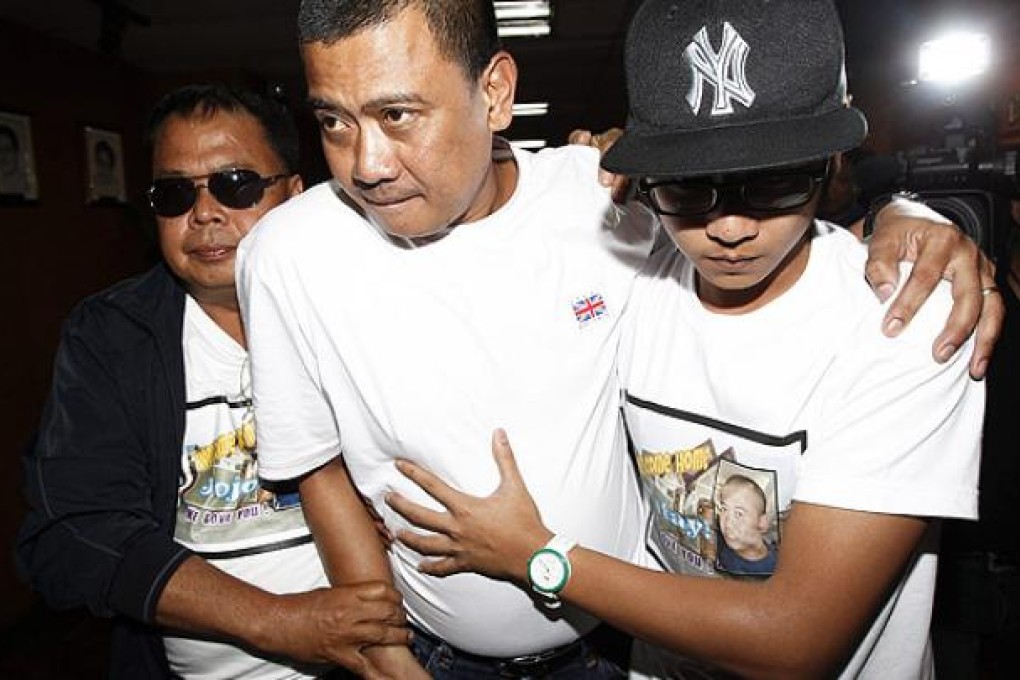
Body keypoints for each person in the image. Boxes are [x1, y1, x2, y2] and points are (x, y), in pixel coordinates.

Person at [239, 1, 998, 677]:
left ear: (496, 92)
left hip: (604, 647)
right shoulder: (644, 239)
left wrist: (916, 216)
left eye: (400, 115)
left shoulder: (904, 320)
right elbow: (318, 468)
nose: (728, 224)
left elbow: (795, 642)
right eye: (334, 121)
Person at [16, 84, 411, 680]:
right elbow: (72, 534)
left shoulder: (370, 303)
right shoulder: (113, 337)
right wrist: (281, 623)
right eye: (173, 194)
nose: (204, 214)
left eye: (236, 184)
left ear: (296, 194)